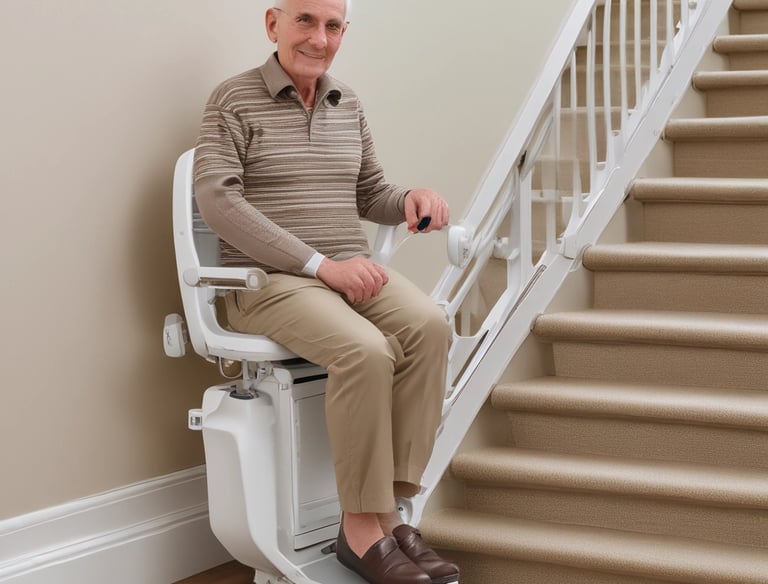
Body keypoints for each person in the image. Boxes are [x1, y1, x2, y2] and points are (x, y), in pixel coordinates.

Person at [193, 1, 458, 583]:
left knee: (431, 325)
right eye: (305, 21)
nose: (319, 38)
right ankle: (359, 530)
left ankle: (390, 513)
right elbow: (218, 202)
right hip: (267, 283)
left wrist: (409, 197)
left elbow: (369, 192)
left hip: (346, 275)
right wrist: (320, 266)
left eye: (332, 26)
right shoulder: (233, 99)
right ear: (273, 24)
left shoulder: (348, 103)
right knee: (365, 350)